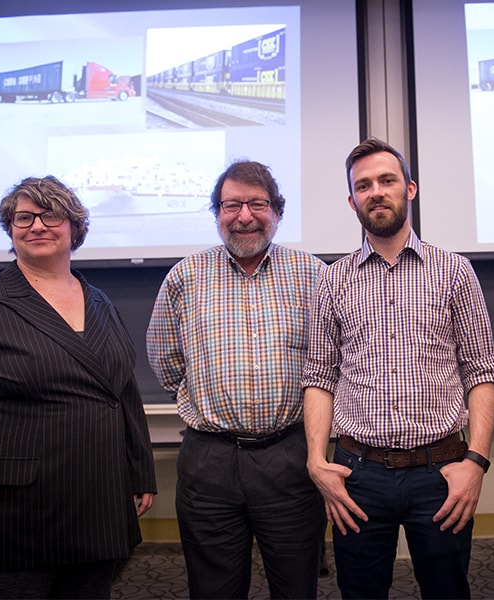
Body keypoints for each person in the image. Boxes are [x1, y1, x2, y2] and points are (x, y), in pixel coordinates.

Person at [0, 175, 157, 599]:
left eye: (51, 215)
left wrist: (140, 470)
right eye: (23, 217)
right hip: (12, 516)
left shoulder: (100, 301)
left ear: (75, 227)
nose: (36, 226)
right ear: (10, 229)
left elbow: (122, 392)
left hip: (98, 503)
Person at [302, 138, 494, 599]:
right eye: (363, 185)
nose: (376, 192)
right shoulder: (332, 280)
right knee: (360, 593)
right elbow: (319, 376)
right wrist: (317, 461)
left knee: (447, 591)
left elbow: (482, 371)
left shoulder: (454, 272)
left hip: (441, 470)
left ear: (409, 189)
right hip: (358, 474)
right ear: (351, 200)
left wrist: (475, 461)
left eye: (387, 180)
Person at [146, 160, 327, 599]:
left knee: (296, 587)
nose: (244, 216)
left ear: (277, 212)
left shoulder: (314, 275)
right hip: (209, 461)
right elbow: (164, 359)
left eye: (257, 204)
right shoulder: (185, 277)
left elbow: (333, 360)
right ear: (216, 213)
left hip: (289, 457)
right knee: (214, 590)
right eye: (231, 205)